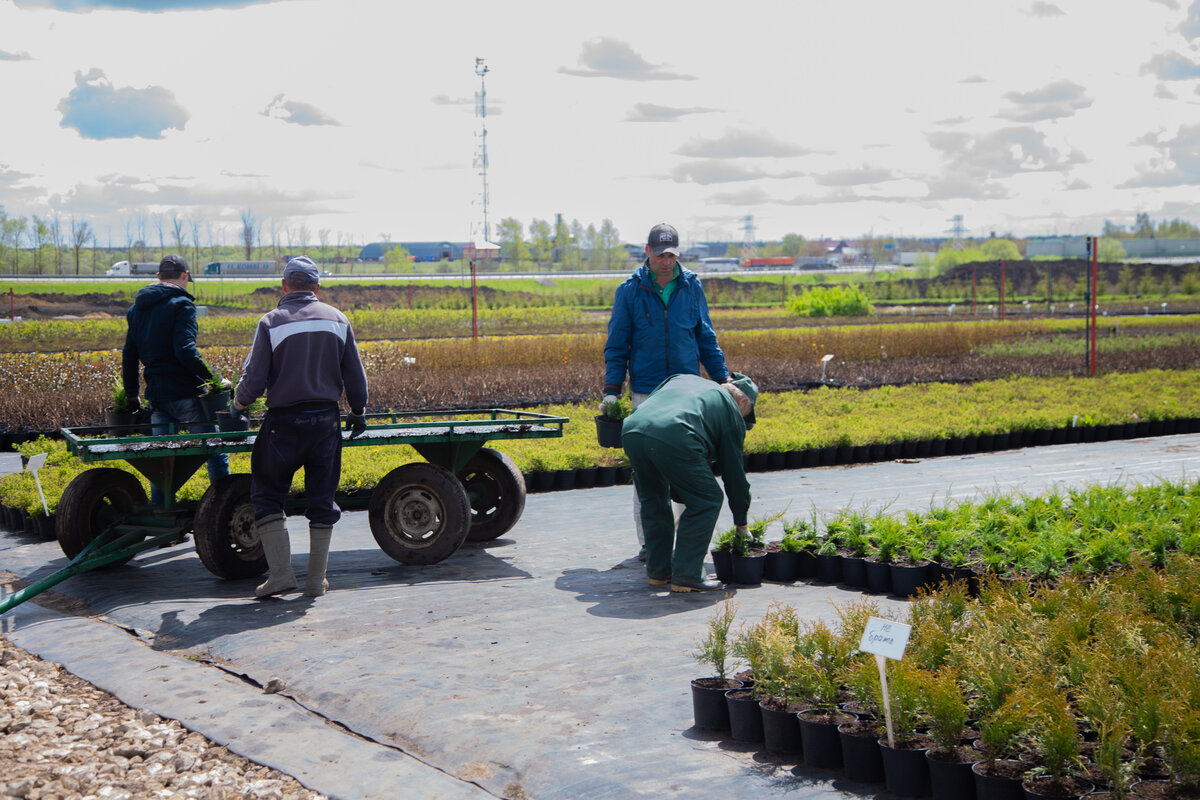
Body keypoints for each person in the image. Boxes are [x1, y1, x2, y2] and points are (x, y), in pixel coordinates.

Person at [229, 256, 368, 599]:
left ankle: (280, 575)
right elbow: (355, 373)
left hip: (284, 424)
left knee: (267, 494)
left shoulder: (271, 322)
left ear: (284, 286)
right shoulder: (338, 319)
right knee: (322, 498)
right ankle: (316, 581)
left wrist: (237, 405)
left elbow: (255, 379)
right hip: (325, 421)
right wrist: (359, 410)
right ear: (317, 288)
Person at [603, 222, 731, 560]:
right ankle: (651, 543)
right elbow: (617, 345)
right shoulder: (629, 290)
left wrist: (723, 379)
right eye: (660, 255)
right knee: (647, 471)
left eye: (672, 254)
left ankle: (685, 542)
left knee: (690, 465)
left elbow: (706, 337)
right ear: (647, 251)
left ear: (678, 253)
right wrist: (612, 390)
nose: (666, 261)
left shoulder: (691, 286)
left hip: (687, 394)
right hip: (646, 394)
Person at [621, 372, 757, 592]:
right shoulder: (731, 412)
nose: (742, 423)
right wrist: (741, 522)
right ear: (743, 402)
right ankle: (687, 575)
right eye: (746, 416)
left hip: (632, 430)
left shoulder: (682, 379)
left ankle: (659, 571)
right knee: (707, 499)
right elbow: (734, 475)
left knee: (654, 499)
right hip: (675, 433)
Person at [121, 253, 230, 500]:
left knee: (163, 460)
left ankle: (161, 512)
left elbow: (129, 355)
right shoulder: (182, 305)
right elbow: (185, 351)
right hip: (185, 394)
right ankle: (225, 504)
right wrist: (216, 379)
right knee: (214, 449)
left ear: (158, 276)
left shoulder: (136, 310)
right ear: (186, 275)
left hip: (157, 396)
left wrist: (131, 394)